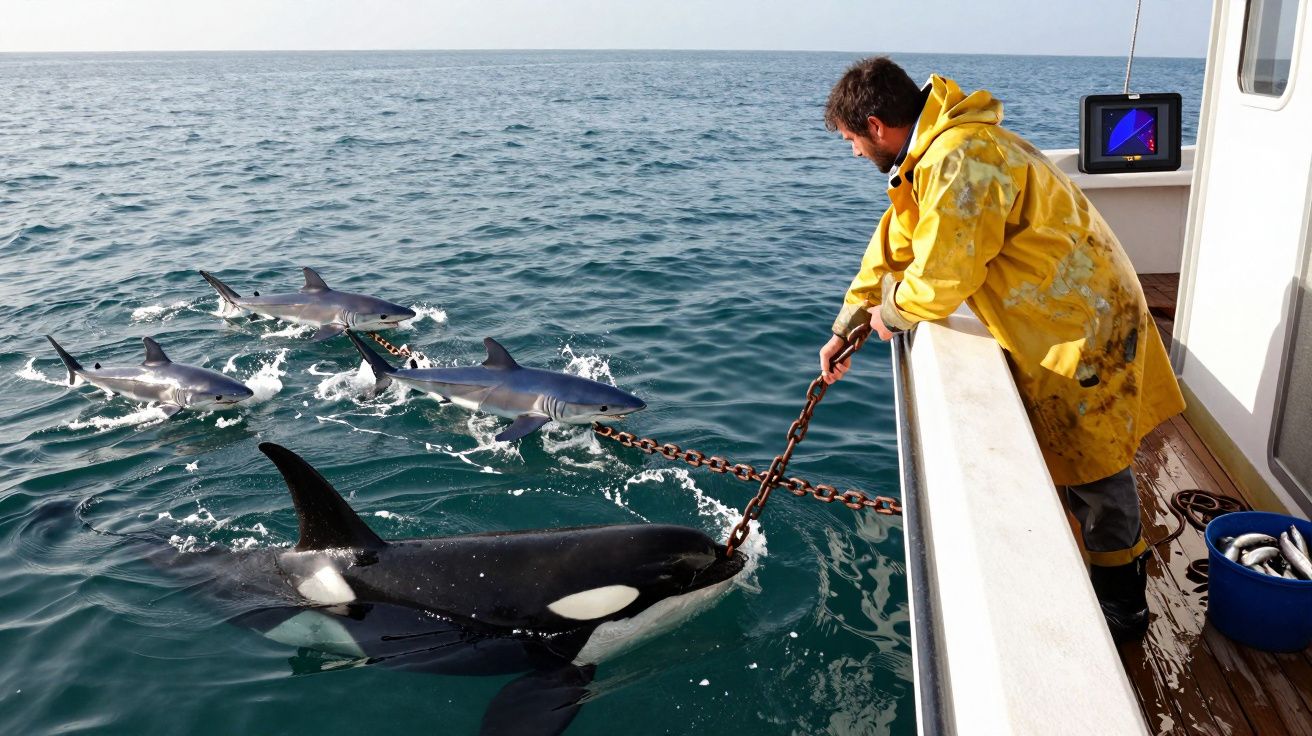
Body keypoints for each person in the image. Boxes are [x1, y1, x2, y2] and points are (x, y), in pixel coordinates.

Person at [816, 56, 1186, 644]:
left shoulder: (959, 159)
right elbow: (895, 243)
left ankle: (1125, 605)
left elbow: (942, 276)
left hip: (1079, 325)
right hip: (1055, 313)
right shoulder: (934, 156)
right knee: (1078, 460)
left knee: (1098, 466)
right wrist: (847, 324)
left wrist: (889, 315)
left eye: (851, 141)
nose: (855, 153)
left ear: (877, 124)